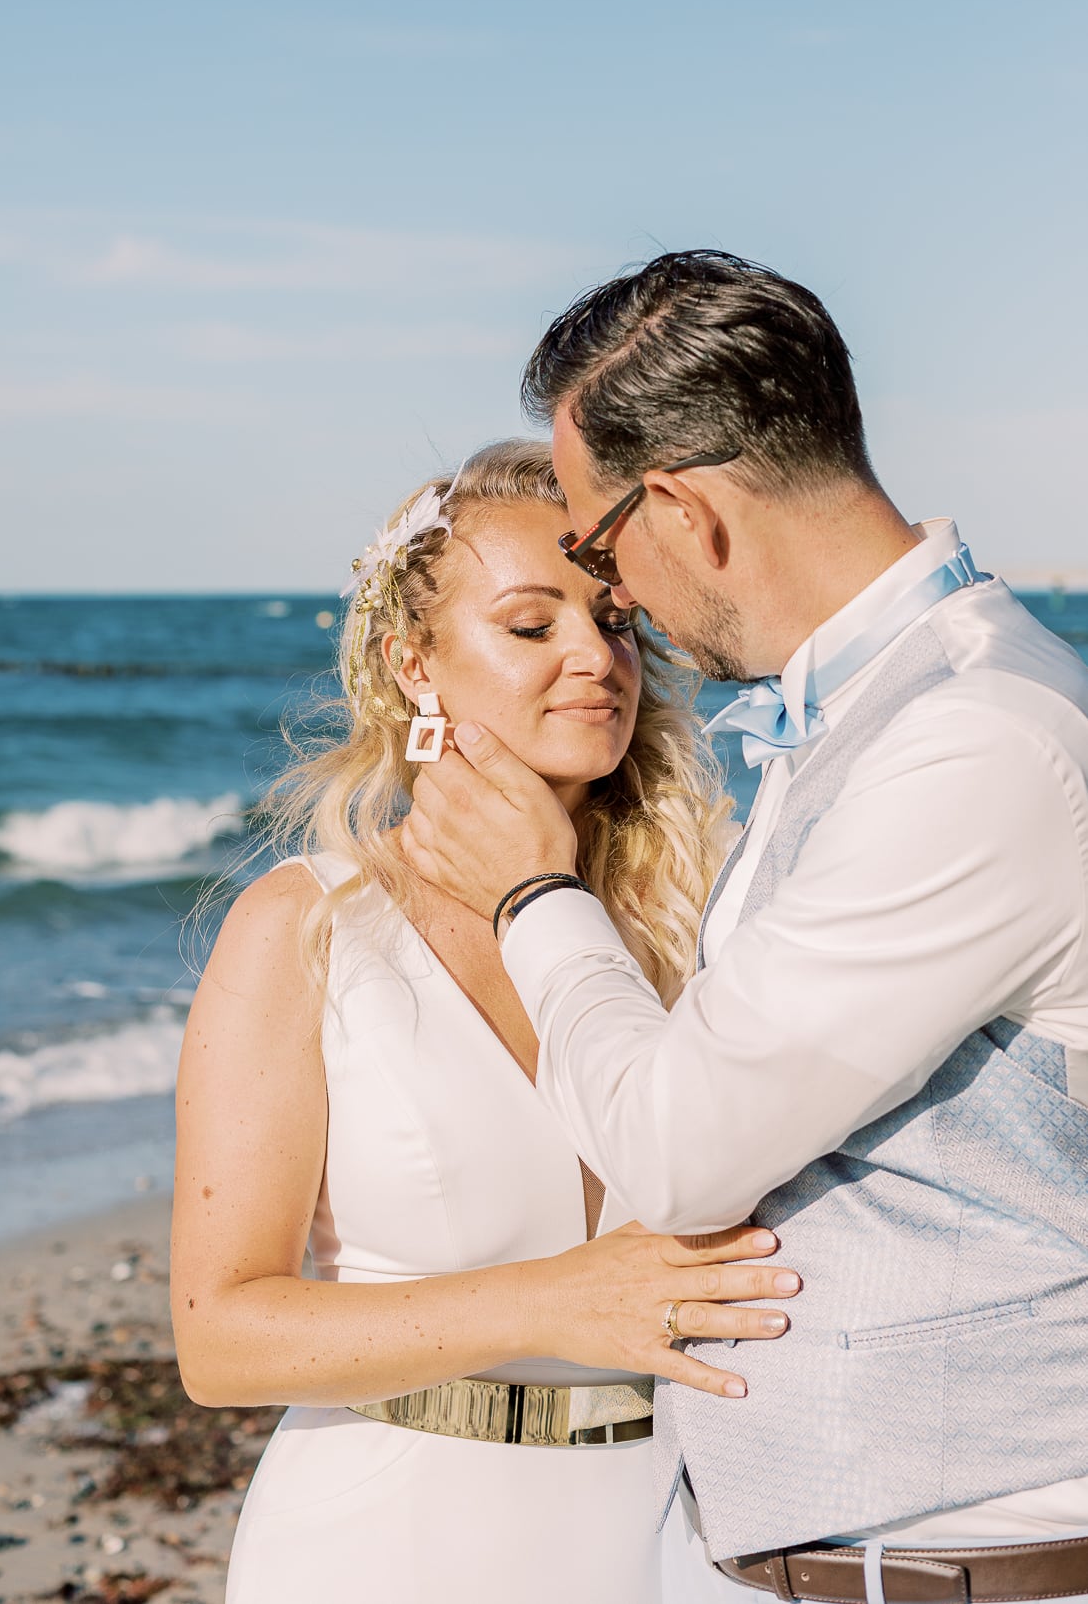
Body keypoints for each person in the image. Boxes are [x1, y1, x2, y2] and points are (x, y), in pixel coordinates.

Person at [403, 254, 1088, 1602]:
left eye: (601, 554)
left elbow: (680, 1148)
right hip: (796, 1548)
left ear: (682, 510)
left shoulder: (970, 735)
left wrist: (538, 893)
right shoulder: (852, 712)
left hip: (960, 1558)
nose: (626, 617)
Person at [170, 440, 801, 1604]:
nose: (593, 657)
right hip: (390, 1538)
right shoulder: (308, 929)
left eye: (616, 621)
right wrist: (558, 1301)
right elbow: (219, 1336)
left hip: (674, 1538)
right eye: (529, 626)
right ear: (416, 666)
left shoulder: (692, 922)